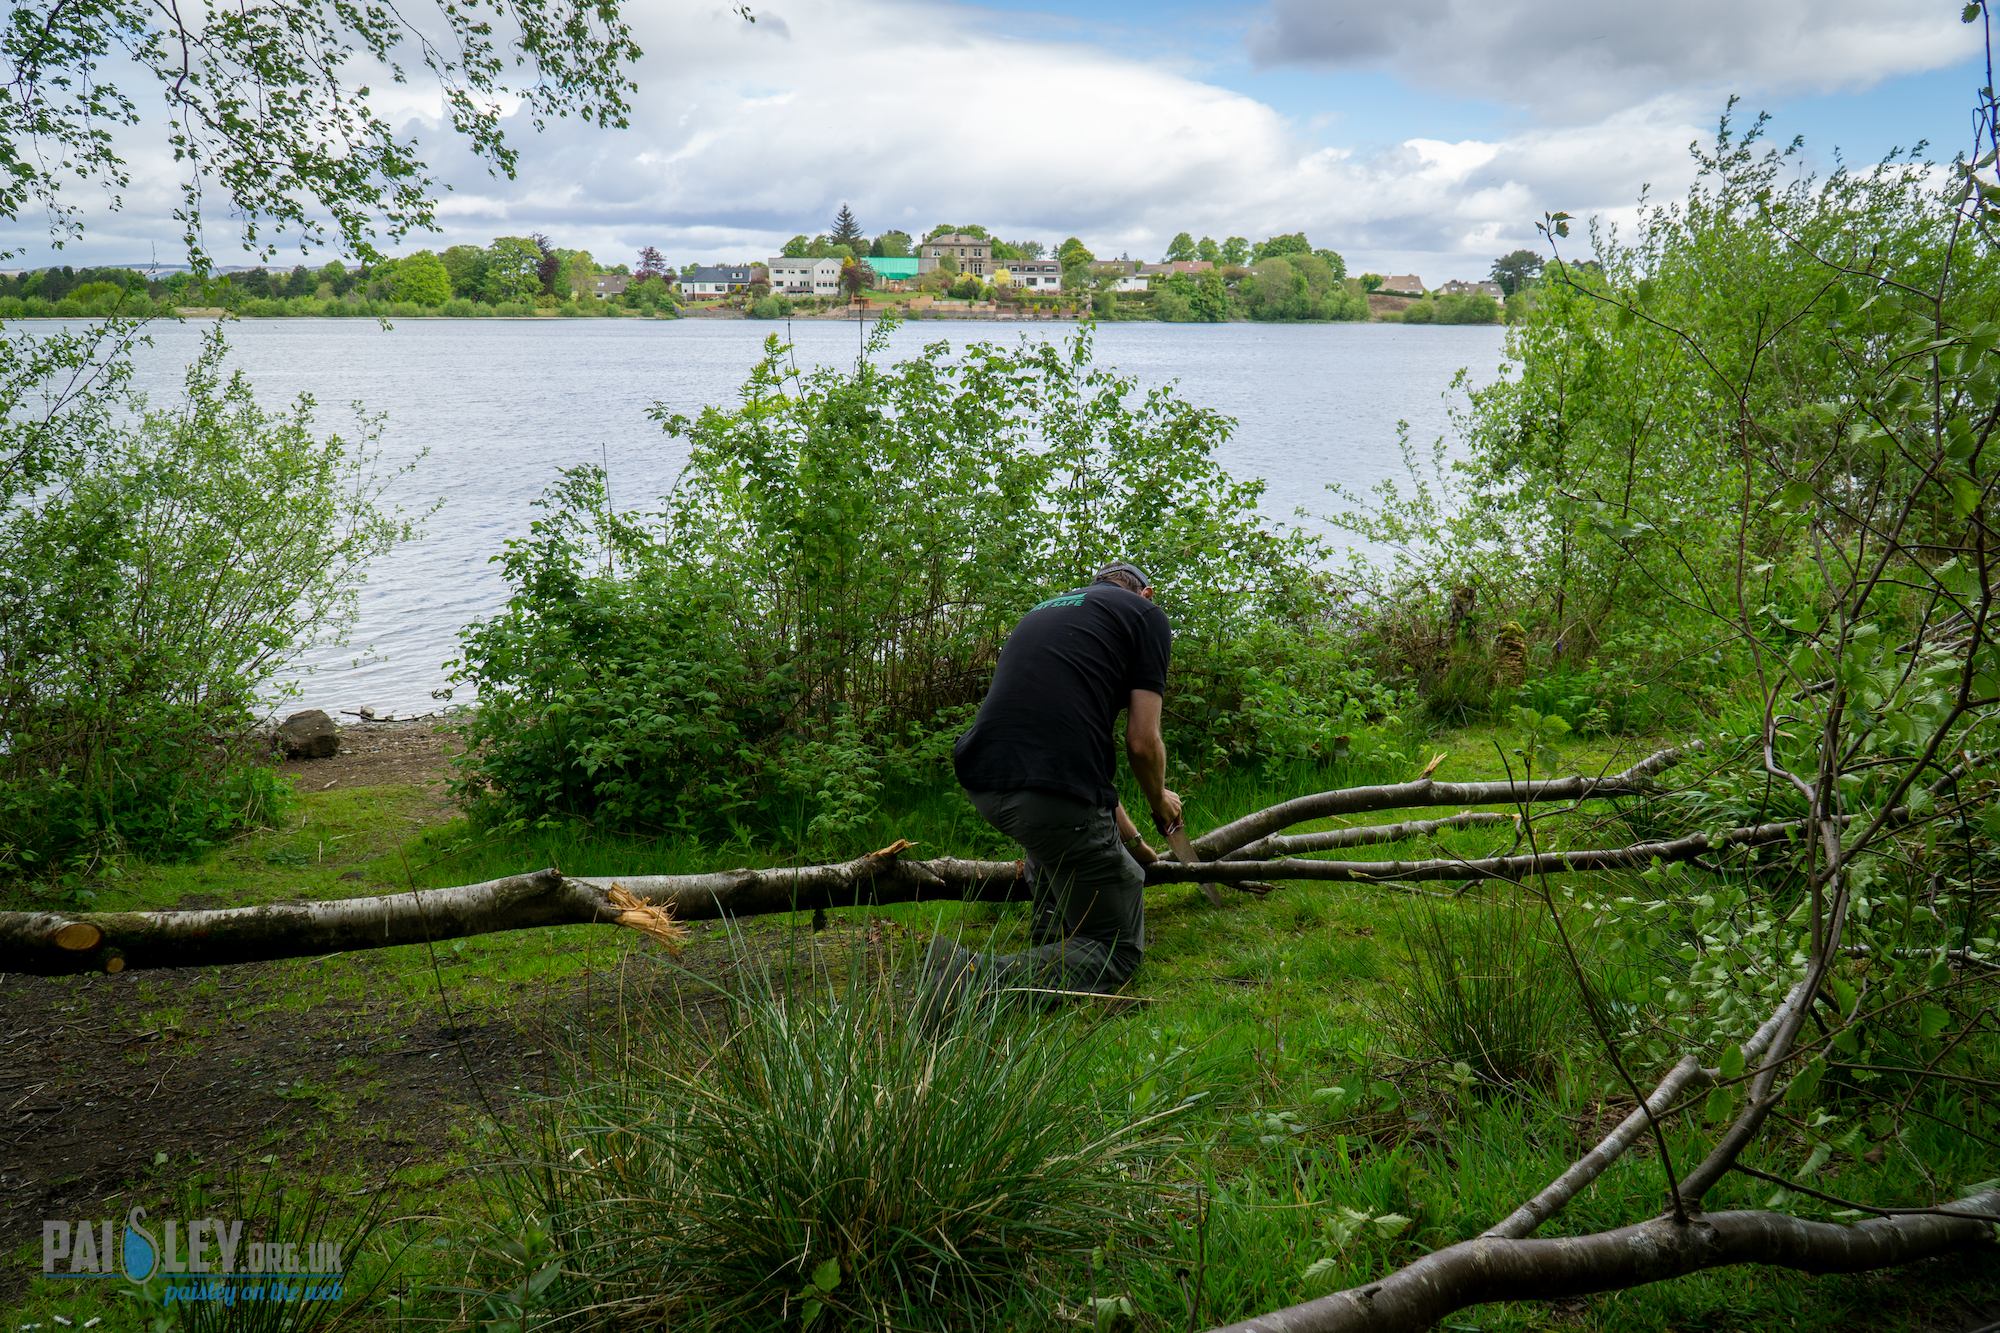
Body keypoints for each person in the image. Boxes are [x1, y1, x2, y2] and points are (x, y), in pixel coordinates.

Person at [922, 560, 1184, 1019]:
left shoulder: (1045, 611)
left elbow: (1066, 748)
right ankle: (966, 982)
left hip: (984, 778)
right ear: (1146, 593)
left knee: (1055, 832)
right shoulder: (1146, 616)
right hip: (1049, 793)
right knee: (1117, 950)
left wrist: (1133, 839)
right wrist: (1161, 800)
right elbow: (1142, 744)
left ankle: (1051, 934)